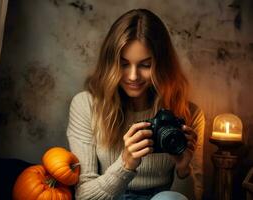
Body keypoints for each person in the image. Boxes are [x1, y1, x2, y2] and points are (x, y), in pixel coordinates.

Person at [66, 8, 205, 200]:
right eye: (123, 64)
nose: (133, 76)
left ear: (162, 65)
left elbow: (190, 197)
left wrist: (183, 171)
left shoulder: (188, 113)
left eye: (145, 65)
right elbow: (84, 196)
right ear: (111, 64)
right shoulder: (86, 105)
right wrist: (125, 163)